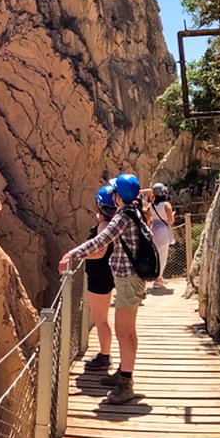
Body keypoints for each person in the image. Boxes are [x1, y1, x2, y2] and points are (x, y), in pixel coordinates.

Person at [58, 173, 148, 404]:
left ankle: (126, 385)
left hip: (128, 280)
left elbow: (100, 242)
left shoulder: (122, 218)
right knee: (126, 331)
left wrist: (71, 254)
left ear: (119, 196)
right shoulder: (134, 211)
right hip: (129, 279)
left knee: (124, 332)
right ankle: (123, 373)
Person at [82, 185, 118, 373]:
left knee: (100, 319)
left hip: (99, 276)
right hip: (104, 275)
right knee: (101, 318)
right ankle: (104, 354)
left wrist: (82, 255)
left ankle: (105, 356)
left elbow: (100, 252)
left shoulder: (104, 226)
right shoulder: (110, 223)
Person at [147, 183, 175, 289]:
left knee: (156, 256)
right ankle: (158, 280)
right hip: (163, 231)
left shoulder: (151, 206)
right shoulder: (167, 205)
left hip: (153, 231)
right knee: (163, 256)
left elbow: (147, 220)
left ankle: (159, 277)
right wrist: (171, 216)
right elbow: (171, 220)